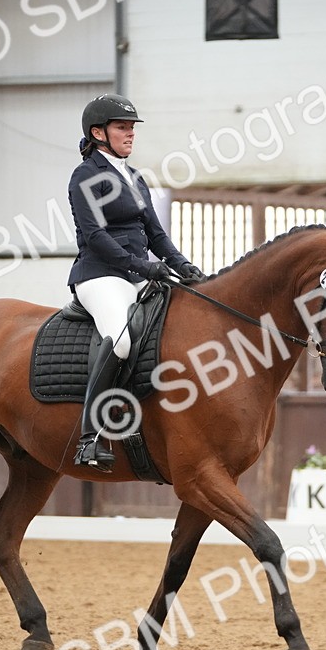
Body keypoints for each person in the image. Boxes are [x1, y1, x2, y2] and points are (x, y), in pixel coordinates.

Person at [67, 93, 206, 472]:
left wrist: (185, 266)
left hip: (137, 275)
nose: (130, 134)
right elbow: (95, 236)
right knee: (122, 338)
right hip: (100, 276)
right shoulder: (86, 176)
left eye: (131, 128)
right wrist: (143, 267)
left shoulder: (135, 178)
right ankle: (91, 436)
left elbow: (156, 235)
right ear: (98, 133)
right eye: (121, 127)